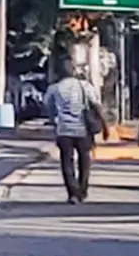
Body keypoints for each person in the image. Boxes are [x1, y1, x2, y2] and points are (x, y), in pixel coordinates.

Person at [43, 62, 106, 203]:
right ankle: (82, 190)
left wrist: (55, 120)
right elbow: (96, 105)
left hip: (64, 130)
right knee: (84, 161)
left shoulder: (54, 88)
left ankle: (73, 193)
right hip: (83, 131)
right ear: (73, 72)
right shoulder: (85, 86)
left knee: (67, 162)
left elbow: (48, 107)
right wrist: (104, 126)